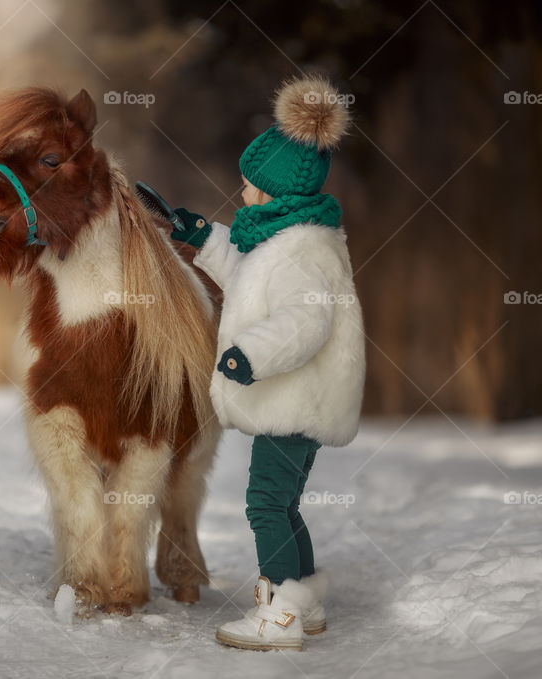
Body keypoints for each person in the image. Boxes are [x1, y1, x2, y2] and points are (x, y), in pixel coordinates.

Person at [172, 75, 366, 651]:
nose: (242, 188)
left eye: (251, 183)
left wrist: (248, 355)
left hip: (296, 399)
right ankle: (302, 603)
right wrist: (202, 237)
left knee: (264, 504)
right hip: (298, 399)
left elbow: (306, 322)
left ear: (276, 190)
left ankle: (278, 616)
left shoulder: (304, 250)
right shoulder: (284, 238)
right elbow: (251, 281)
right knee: (283, 502)